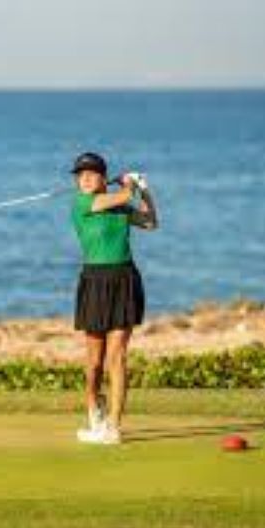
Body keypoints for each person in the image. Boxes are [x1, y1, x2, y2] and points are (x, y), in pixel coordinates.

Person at [69, 152, 158, 444]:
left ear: (102, 178)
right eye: (80, 175)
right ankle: (94, 408)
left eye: (91, 174)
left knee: (116, 357)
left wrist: (144, 191)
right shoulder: (82, 203)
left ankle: (114, 428)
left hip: (123, 279)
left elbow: (150, 222)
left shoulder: (118, 206)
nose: (84, 179)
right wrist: (129, 184)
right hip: (94, 282)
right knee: (94, 362)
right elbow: (120, 198)